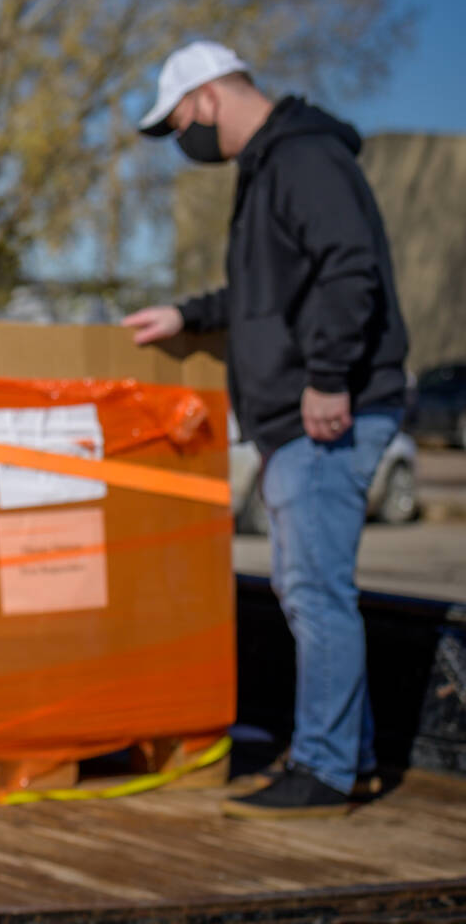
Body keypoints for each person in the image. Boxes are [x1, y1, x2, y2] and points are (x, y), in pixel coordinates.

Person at [124, 41, 409, 820]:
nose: (182, 138)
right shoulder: (270, 172)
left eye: (180, 120)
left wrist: (325, 378)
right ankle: (339, 756)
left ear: (209, 97)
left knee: (314, 593)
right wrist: (187, 315)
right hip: (298, 415)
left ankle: (321, 770)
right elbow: (261, 295)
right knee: (301, 588)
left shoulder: (302, 159)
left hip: (325, 411)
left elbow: (348, 271)